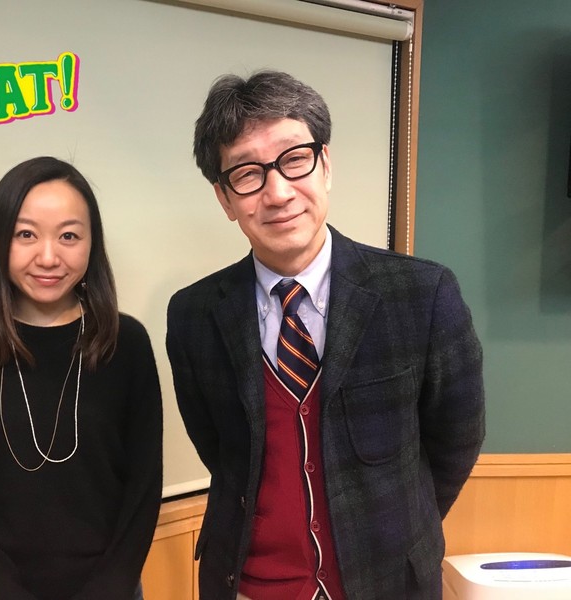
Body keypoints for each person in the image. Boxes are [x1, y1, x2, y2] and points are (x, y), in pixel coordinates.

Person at [165, 71, 485, 600]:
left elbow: (457, 439)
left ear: (326, 164)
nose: (278, 192)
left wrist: (401, 529)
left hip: (387, 583)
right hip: (248, 585)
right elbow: (219, 450)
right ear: (224, 198)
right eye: (247, 173)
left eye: (295, 159)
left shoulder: (421, 294)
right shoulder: (193, 315)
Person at [0, 157, 163, 600]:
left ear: (91, 244)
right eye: (26, 235)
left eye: (69, 236)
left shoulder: (125, 343)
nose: (48, 257)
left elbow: (144, 484)